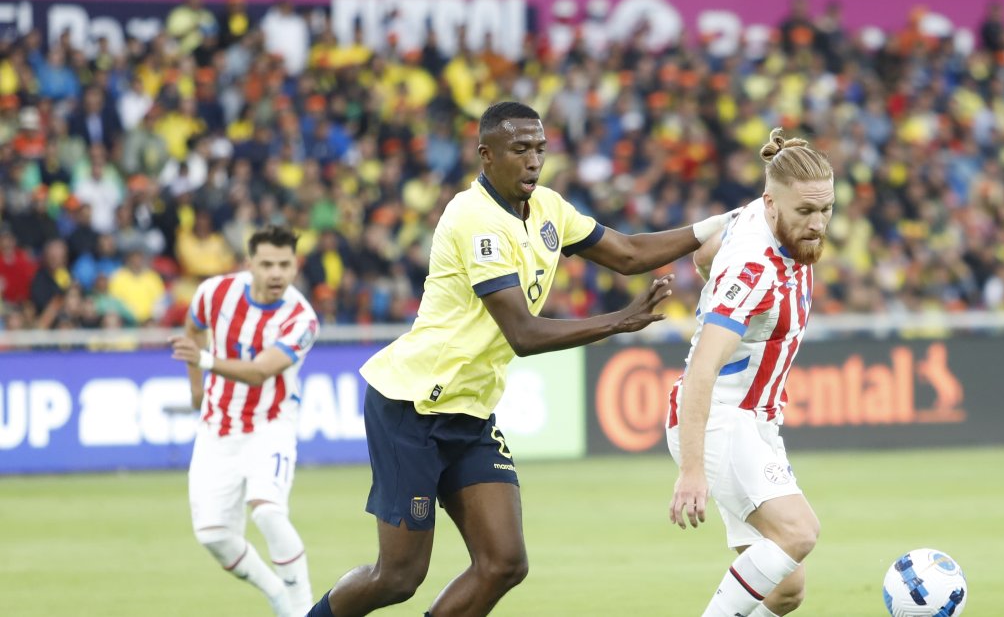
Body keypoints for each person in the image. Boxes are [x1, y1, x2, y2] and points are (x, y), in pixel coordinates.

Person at [307, 101, 733, 617]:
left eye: (540, 149)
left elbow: (627, 253)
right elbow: (523, 334)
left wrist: (728, 222)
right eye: (520, 150)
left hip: (470, 410)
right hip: (411, 409)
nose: (533, 161)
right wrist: (619, 322)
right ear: (487, 155)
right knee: (398, 576)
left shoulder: (549, 208)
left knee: (504, 562)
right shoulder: (474, 219)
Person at [667, 128, 834, 617]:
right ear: (772, 203)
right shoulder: (754, 269)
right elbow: (700, 370)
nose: (818, 223)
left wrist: (714, 290)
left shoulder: (756, 219)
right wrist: (692, 471)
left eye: (825, 209)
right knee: (800, 532)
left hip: (756, 422)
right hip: (720, 417)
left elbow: (703, 254)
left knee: (786, 591)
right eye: (805, 212)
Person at [169, 225, 320, 617]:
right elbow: (193, 328)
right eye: (267, 264)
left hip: (270, 425)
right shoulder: (214, 293)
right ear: (249, 263)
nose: (276, 274)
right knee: (213, 536)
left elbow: (259, 372)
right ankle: (276, 595)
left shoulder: (301, 319)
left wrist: (202, 362)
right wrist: (197, 390)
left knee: (268, 510)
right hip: (218, 429)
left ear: (295, 266)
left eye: (284, 265)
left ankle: (303, 610)